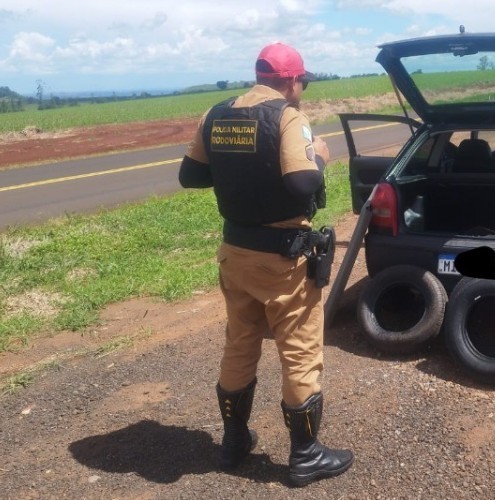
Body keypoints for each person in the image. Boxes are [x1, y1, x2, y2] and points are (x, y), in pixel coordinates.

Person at [178, 42, 353, 487]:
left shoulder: (215, 115)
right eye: (303, 82)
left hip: (236, 255)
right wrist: (320, 154)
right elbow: (303, 182)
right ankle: (307, 455)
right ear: (291, 80)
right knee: (299, 351)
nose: (303, 90)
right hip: (284, 260)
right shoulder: (288, 117)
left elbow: (191, 176)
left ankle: (234, 441)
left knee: (240, 343)